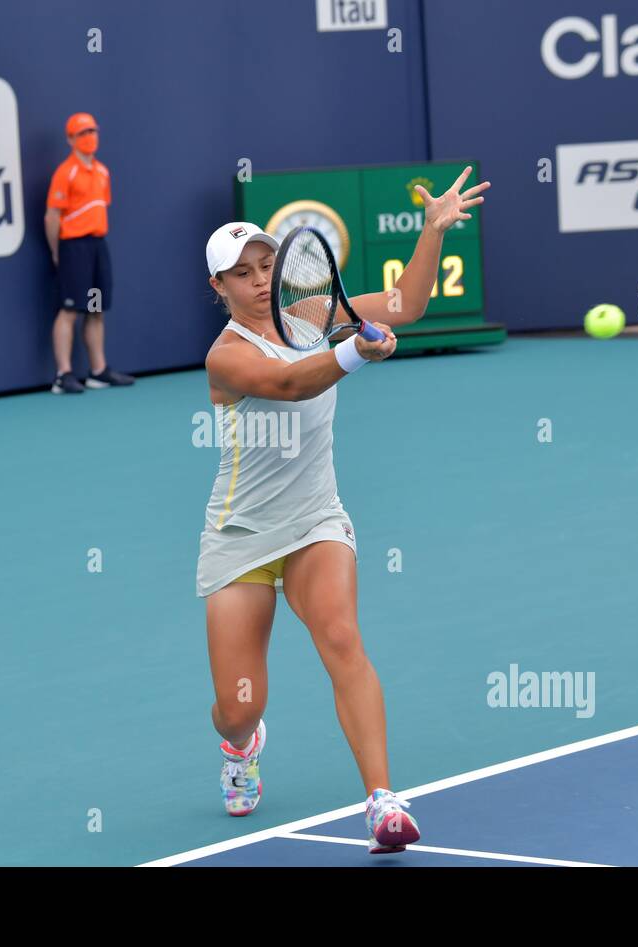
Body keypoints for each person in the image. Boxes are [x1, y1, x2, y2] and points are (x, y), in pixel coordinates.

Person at [197, 167, 490, 853]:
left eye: (267, 264)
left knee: (341, 637)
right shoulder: (227, 357)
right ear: (219, 288)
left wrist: (432, 231)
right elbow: (291, 382)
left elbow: (407, 304)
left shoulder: (310, 315)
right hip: (239, 535)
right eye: (242, 273)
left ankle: (383, 800)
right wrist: (355, 349)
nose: (260, 278)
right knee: (241, 705)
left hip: (314, 521)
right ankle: (240, 748)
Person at [43, 112, 134, 394]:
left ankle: (98, 371)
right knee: (70, 309)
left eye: (92, 131)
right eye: (82, 133)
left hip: (97, 245)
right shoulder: (65, 172)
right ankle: (63, 375)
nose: (89, 137)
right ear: (70, 139)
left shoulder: (103, 172)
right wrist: (57, 252)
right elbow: (51, 217)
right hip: (73, 247)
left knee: (96, 309)